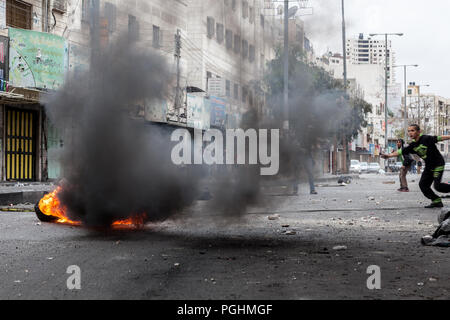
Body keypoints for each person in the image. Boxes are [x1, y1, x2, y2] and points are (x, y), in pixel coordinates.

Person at [382, 124, 450, 208]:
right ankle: (436, 201)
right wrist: (388, 155)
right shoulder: (412, 145)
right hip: (429, 166)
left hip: (438, 164)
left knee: (437, 186)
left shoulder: (426, 139)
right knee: (423, 185)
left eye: (412, 130)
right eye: (409, 131)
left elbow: (440, 138)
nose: (410, 133)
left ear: (418, 132)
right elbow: (400, 152)